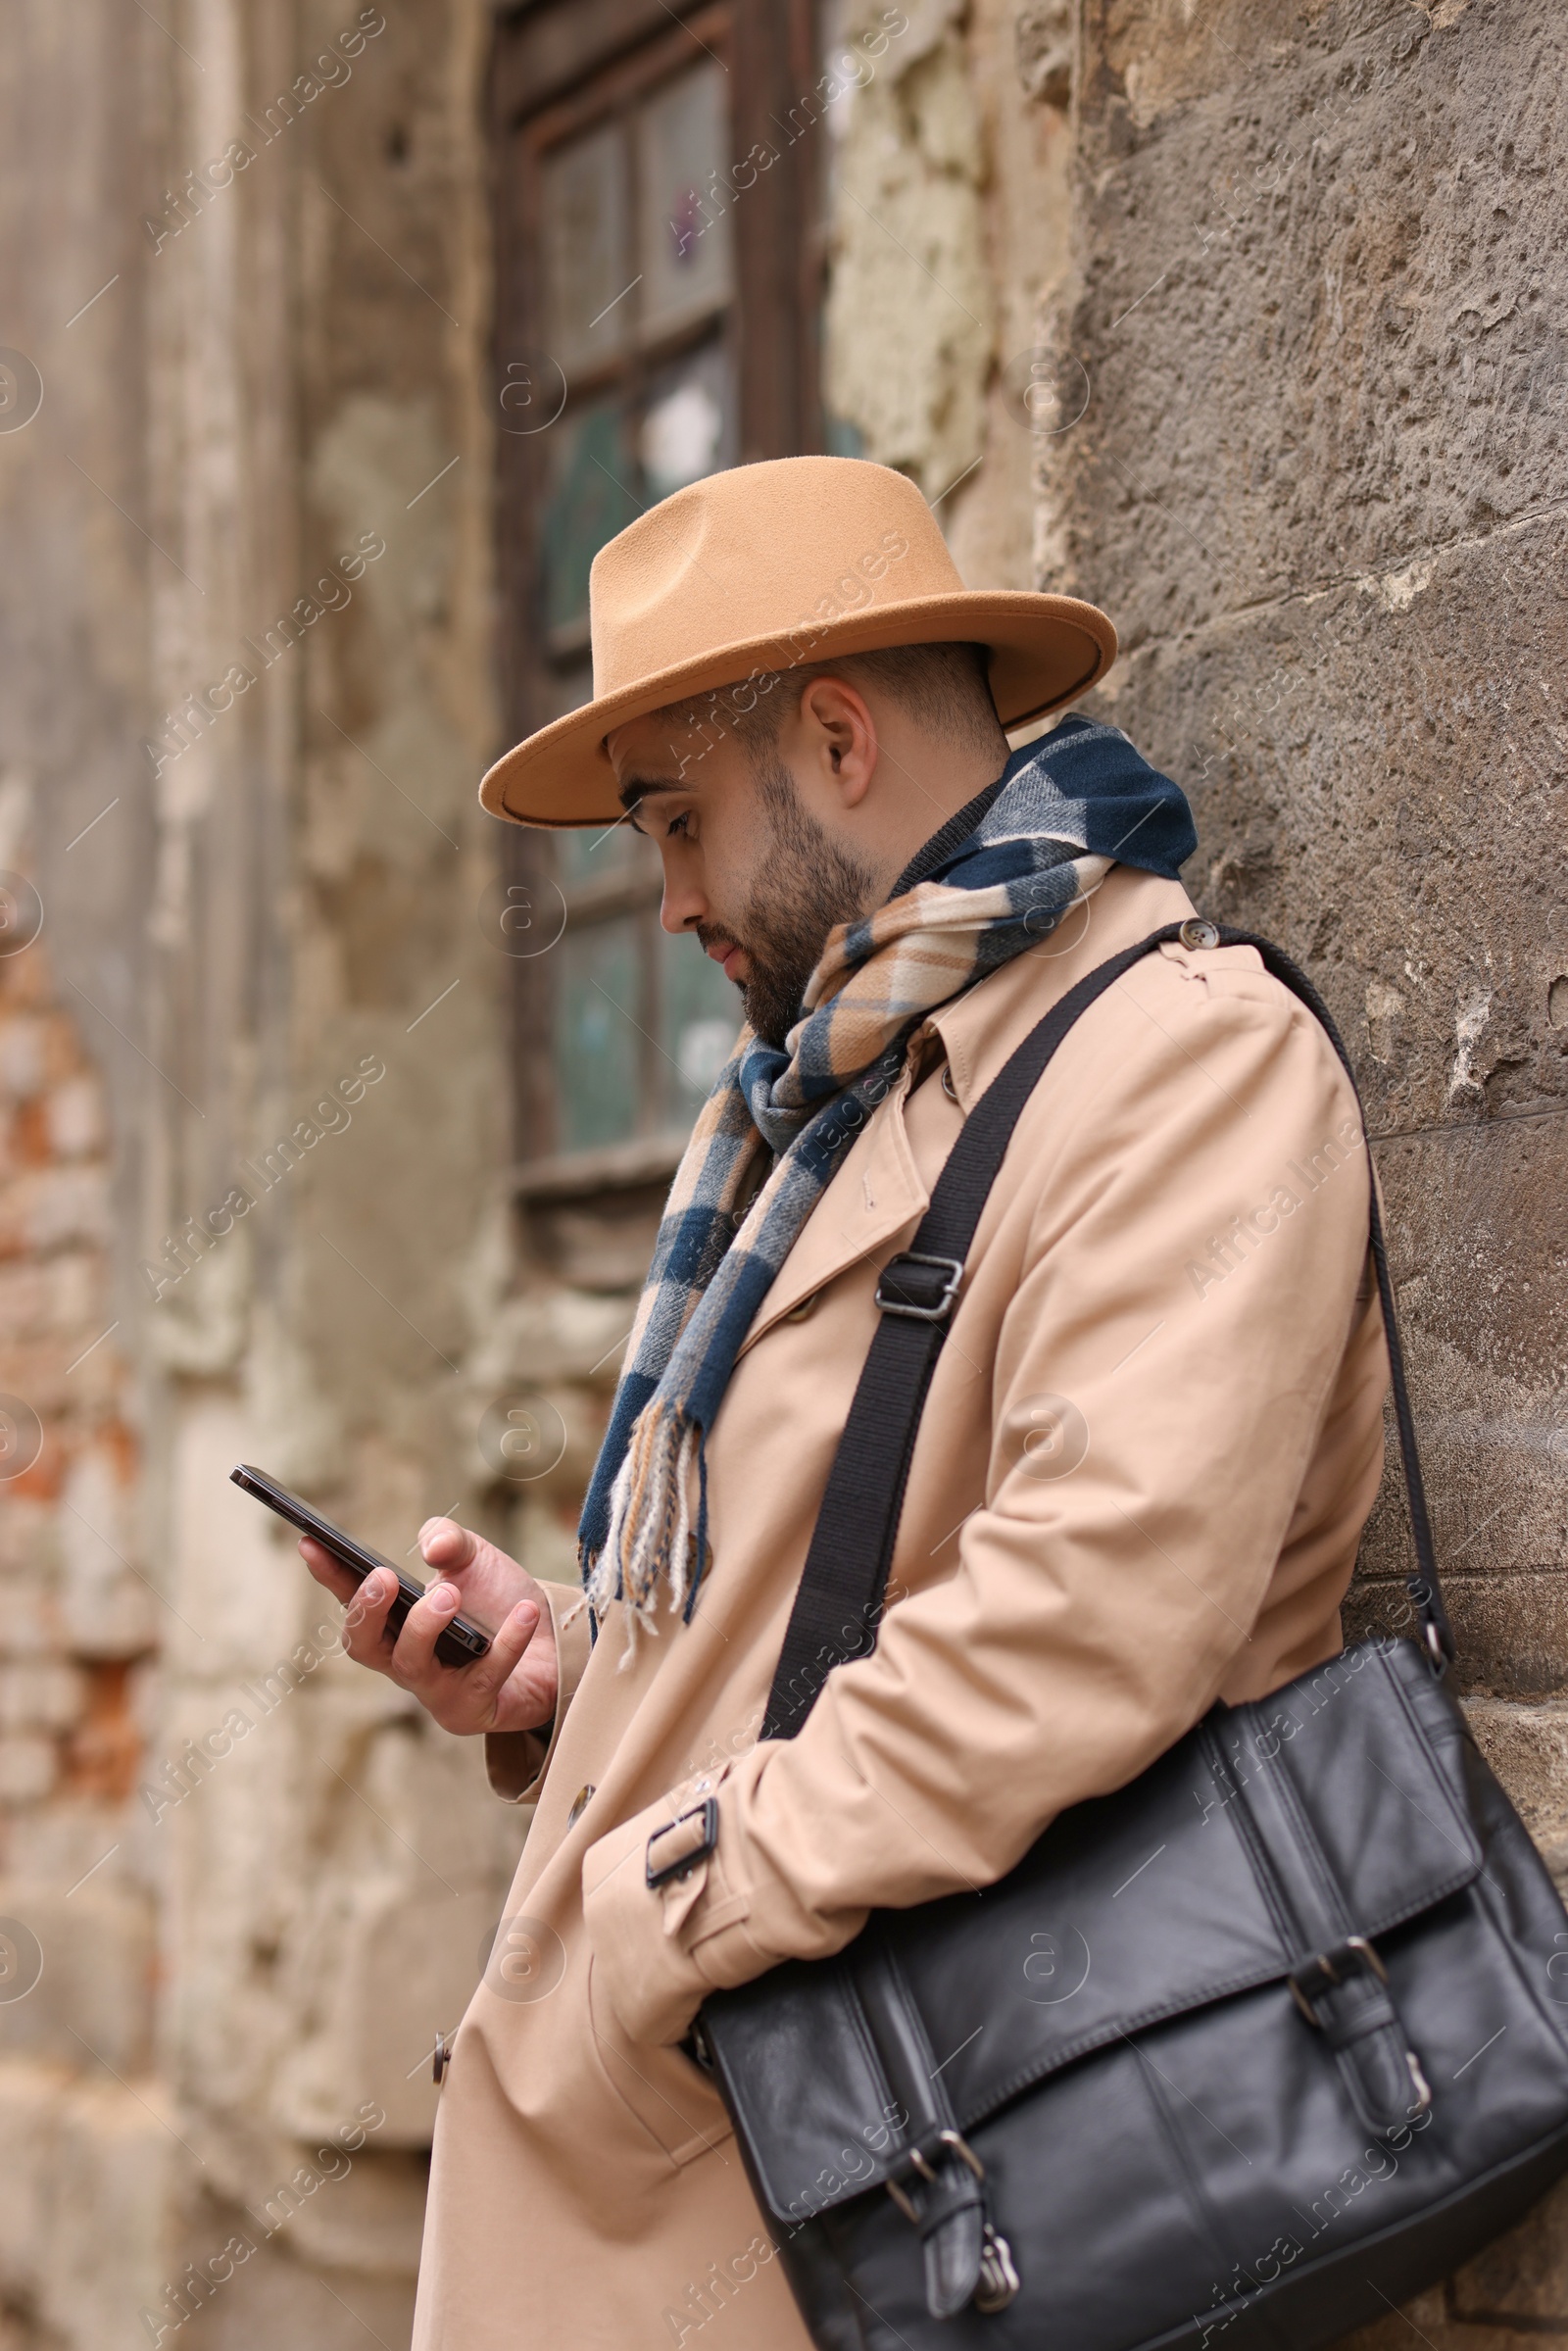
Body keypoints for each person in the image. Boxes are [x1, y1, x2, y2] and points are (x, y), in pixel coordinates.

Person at [301, 458, 1388, 2350]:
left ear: (832, 736)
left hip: (894, 2199)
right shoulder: (820, 1105)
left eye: (681, 821)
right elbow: (831, 1595)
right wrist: (568, 1684)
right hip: (725, 2155)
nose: (667, 900)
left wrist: (657, 1908)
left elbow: (1089, 1625)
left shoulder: (1178, 1063)